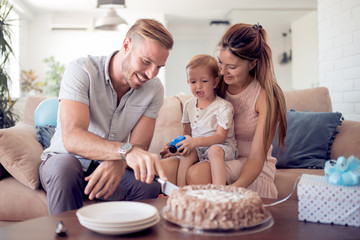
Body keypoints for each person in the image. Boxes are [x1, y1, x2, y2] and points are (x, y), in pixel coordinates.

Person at [39, 19, 174, 215]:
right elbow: (73, 137)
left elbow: (139, 146)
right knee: (66, 168)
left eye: (159, 67)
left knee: (148, 187)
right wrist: (124, 152)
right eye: (146, 61)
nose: (152, 74)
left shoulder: (154, 89)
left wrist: (118, 160)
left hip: (106, 163)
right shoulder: (82, 70)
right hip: (63, 159)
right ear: (126, 45)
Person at [162, 23, 287, 199]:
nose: (222, 71)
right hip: (216, 155)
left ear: (252, 64)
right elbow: (200, 122)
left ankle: (211, 211)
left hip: (249, 167)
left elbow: (257, 158)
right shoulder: (217, 84)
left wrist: (231, 191)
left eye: (232, 67)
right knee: (164, 168)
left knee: (196, 174)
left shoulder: (265, 97)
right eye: (220, 62)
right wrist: (180, 145)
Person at [161, 54, 238, 186]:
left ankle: (220, 191)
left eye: (204, 81)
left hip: (222, 147)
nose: (198, 86)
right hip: (198, 147)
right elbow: (187, 135)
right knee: (187, 154)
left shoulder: (223, 106)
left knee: (214, 151)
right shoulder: (188, 105)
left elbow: (220, 137)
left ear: (215, 82)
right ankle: (180, 191)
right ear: (188, 82)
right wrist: (177, 147)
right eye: (193, 82)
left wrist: (194, 142)